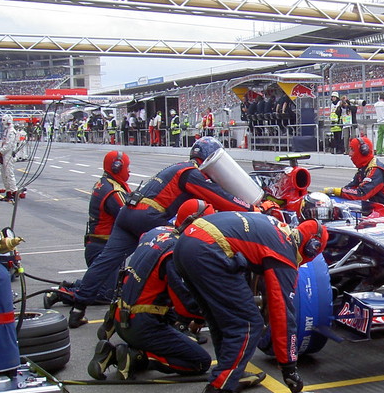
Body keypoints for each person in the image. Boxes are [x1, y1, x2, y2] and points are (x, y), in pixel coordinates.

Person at [59, 138, 257, 327]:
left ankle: (78, 309)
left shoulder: (177, 167)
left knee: (105, 262)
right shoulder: (192, 173)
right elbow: (222, 198)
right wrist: (253, 208)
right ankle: (181, 318)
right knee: (179, 260)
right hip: (149, 217)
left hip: (127, 214)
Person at [174, 210, 329, 393]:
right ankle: (218, 389)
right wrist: (289, 366)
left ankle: (231, 374)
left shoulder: (278, 228)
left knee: (222, 320)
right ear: (312, 249)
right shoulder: (284, 253)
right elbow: (282, 313)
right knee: (248, 323)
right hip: (207, 250)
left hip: (188, 243)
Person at [87, 201, 215, 382]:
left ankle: (120, 352)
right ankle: (136, 357)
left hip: (122, 316)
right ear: (195, 223)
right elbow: (185, 306)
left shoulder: (157, 232)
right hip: (142, 324)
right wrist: (213, 314)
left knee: (183, 335)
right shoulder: (175, 253)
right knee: (200, 361)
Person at [323, 136, 384, 214]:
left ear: (364, 151)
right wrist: (328, 195)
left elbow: (361, 194)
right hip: (383, 212)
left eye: (352, 150)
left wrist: (336, 190)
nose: (349, 154)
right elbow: (350, 189)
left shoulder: (376, 170)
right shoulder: (363, 169)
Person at [83, 151, 132, 267]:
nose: (129, 170)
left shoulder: (103, 183)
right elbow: (131, 219)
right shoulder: (113, 192)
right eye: (127, 166)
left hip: (96, 246)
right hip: (104, 248)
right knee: (108, 285)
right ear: (117, 167)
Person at [0, 115, 20, 202]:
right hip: (5, 154)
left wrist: (1, 152)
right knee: (4, 174)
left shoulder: (11, 132)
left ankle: (14, 192)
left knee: (9, 173)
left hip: (9, 155)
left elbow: (9, 145)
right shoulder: (6, 131)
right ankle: (8, 192)